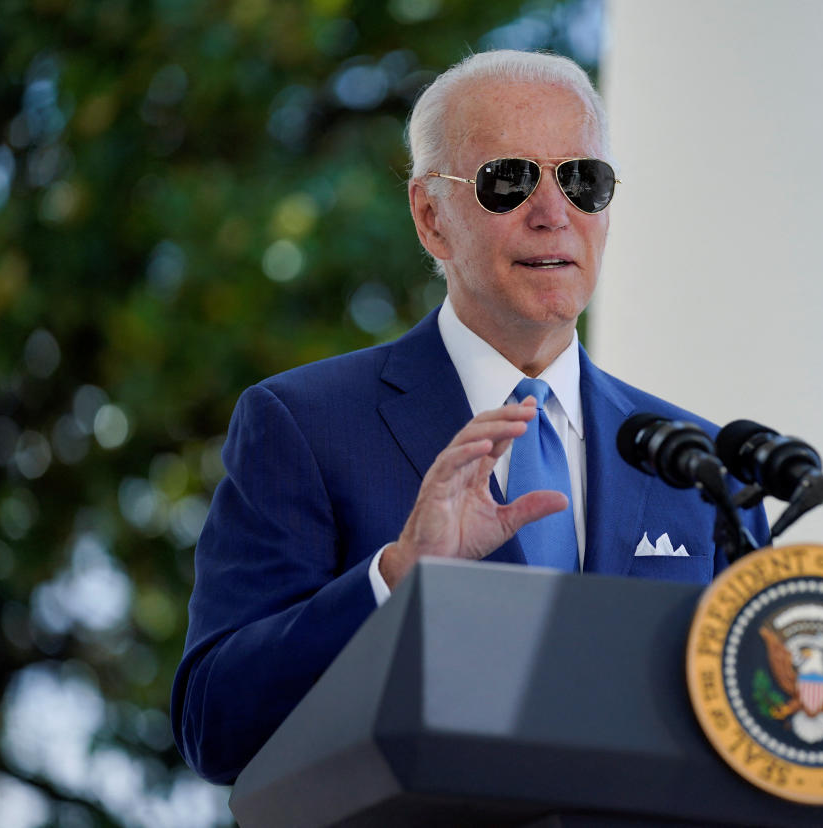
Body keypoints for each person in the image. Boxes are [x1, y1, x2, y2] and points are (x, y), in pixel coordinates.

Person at [171, 49, 770, 785]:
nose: (553, 214)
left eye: (583, 181)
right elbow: (216, 723)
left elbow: (758, 730)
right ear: (431, 217)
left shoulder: (696, 461)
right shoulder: (303, 424)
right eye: (508, 181)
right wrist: (397, 579)